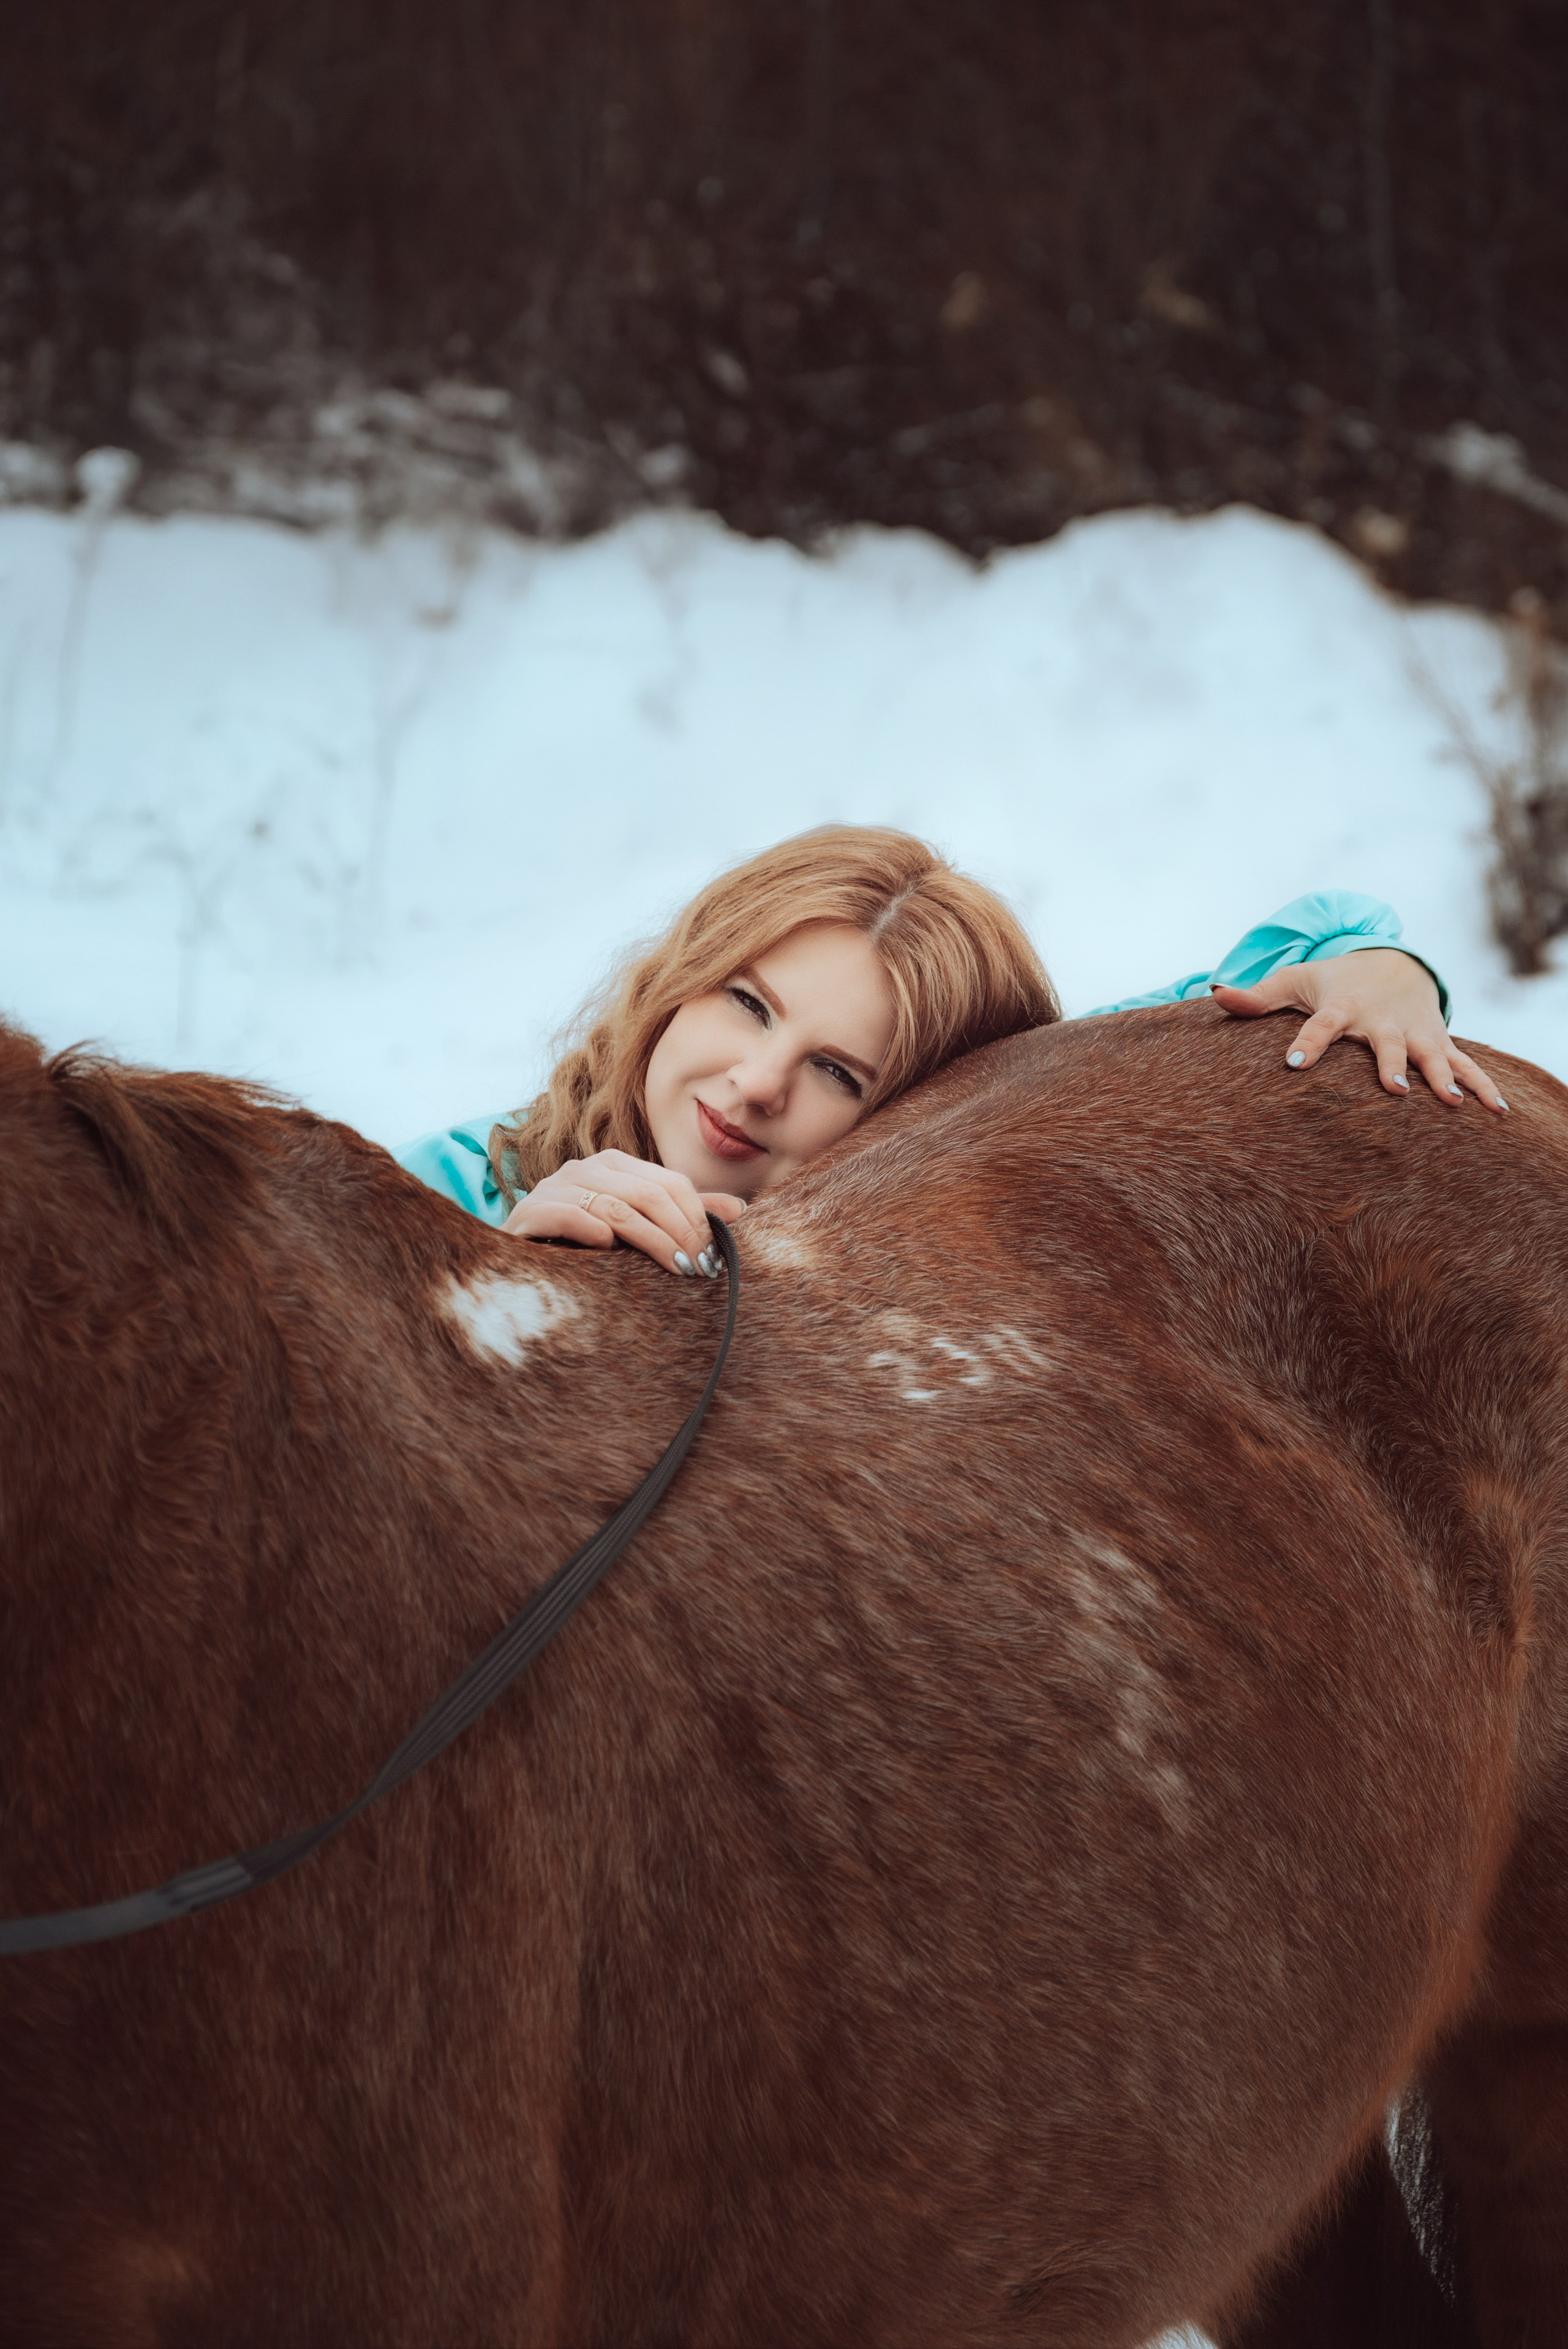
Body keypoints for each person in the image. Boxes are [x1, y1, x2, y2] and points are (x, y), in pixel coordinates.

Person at [398, 826, 1507, 1279]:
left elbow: (1281, 956)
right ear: (676, 984)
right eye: (747, 1003)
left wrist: (1377, 967)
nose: (758, 1084)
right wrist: (503, 1257)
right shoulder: (451, 1183)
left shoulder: (919, 1174)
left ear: (922, 1110)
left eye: (841, 1075)